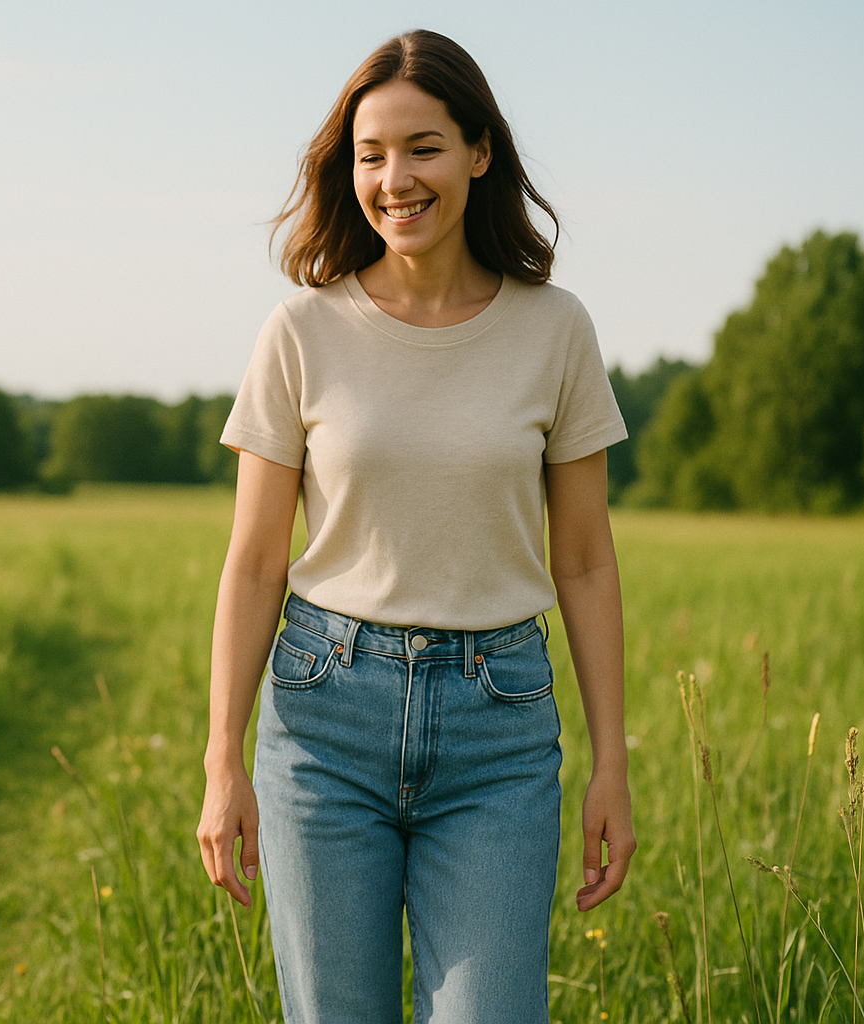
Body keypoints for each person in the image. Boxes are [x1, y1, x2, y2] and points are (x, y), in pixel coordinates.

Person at [196, 29, 636, 1023]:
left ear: (480, 151)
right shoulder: (300, 332)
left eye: (423, 147)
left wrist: (613, 761)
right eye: (371, 154)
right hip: (323, 716)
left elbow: (585, 559)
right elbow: (256, 560)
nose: (395, 178)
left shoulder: (555, 328)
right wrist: (225, 759)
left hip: (500, 727)